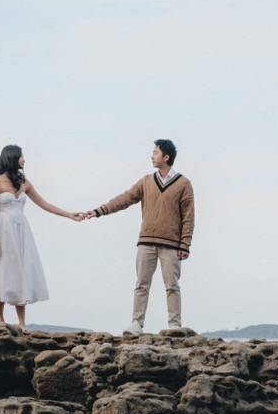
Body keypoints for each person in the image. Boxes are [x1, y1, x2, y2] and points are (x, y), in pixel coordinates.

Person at [79, 138, 194, 333]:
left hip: (172, 244)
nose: (152, 156)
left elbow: (189, 217)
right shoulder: (146, 181)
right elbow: (124, 199)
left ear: (166, 157)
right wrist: (98, 211)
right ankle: (137, 323)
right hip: (146, 241)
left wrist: (185, 244)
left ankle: (174, 325)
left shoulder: (183, 184)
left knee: (172, 285)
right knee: (141, 284)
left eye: (155, 153)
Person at [0, 143, 85, 329]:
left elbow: (44, 204)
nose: (24, 160)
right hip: (2, 230)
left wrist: (69, 215)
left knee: (20, 272)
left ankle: (22, 324)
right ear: (11, 157)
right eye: (21, 156)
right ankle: (0, 320)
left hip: (21, 230)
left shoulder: (24, 182)